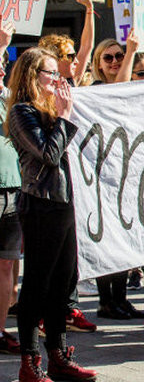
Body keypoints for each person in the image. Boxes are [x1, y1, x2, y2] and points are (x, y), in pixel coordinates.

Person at [6, 47, 96, 381]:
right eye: (50, 72)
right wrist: (65, 116)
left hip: (68, 203)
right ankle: (30, 361)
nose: (57, 79)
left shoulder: (54, 108)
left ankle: (58, 354)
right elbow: (48, 153)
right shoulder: (21, 112)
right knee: (37, 285)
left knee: (63, 284)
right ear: (32, 75)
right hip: (42, 204)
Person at [90, 35, 144, 320]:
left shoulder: (134, 86)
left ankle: (121, 299)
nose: (115, 61)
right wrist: (132, 52)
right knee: (108, 240)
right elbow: (119, 92)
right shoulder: (97, 89)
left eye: (119, 56)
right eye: (108, 58)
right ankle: (106, 301)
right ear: (98, 65)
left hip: (128, 171)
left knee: (126, 240)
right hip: (104, 174)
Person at [0, 23, 21, 355]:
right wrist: (3, 43)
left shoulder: (10, 99)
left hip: (15, 192)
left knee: (7, 268)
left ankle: (0, 328)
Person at [38, 0, 94, 87]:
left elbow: (86, 46)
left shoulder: (72, 80)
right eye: (70, 57)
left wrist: (90, 9)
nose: (76, 61)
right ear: (55, 59)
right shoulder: (40, 87)